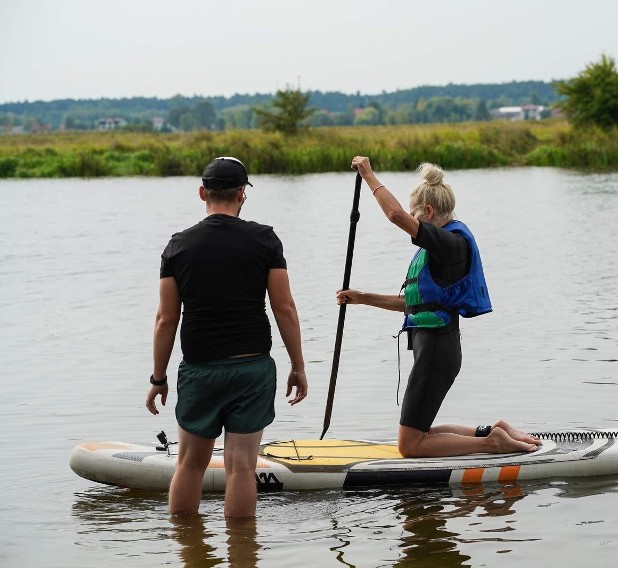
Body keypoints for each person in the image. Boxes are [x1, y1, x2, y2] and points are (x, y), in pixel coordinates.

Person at [337, 156, 540, 458]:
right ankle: (491, 431)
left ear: (428, 212)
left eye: (415, 214)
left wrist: (368, 175)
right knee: (420, 435)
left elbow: (394, 215)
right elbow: (415, 304)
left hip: (436, 351)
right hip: (434, 349)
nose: (411, 218)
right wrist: (362, 297)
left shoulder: (449, 244)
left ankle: (492, 445)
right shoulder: (441, 248)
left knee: (409, 445)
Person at [145, 156, 308, 517]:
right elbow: (285, 309)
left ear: (202, 192)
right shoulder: (265, 240)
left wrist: (158, 378)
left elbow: (166, 318)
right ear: (242, 195)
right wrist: (298, 365)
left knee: (189, 464)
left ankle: (188, 549)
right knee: (241, 468)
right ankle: (242, 553)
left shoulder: (178, 246)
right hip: (251, 369)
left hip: (199, 369)